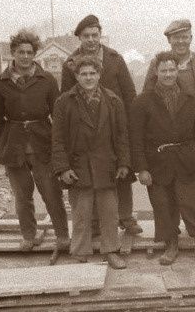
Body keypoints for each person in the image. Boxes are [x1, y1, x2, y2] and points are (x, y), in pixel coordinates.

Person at [131, 51, 195, 266]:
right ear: (156, 72)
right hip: (157, 162)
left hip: (186, 159)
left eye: (172, 69)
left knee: (193, 201)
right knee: (163, 204)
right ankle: (171, 245)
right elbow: (136, 137)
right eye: (163, 70)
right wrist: (142, 168)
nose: (168, 74)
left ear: (177, 70)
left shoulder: (192, 97)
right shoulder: (143, 101)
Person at [0, 29, 69, 252]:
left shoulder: (47, 80)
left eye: (29, 52)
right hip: (14, 148)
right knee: (22, 197)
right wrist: (4, 143)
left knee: (52, 193)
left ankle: (62, 235)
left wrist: (56, 145)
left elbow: (58, 115)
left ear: (35, 54)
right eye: (20, 52)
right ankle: (28, 236)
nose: (25, 56)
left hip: (43, 145)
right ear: (13, 53)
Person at [60, 14, 142, 235]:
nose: (91, 40)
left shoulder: (115, 59)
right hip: (86, 127)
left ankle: (125, 217)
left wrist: (129, 124)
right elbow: (65, 97)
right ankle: (96, 222)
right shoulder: (70, 64)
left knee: (122, 171)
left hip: (115, 125)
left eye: (95, 35)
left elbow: (129, 93)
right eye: (86, 36)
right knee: (91, 173)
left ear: (100, 35)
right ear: (79, 37)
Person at [52, 57, 129, 269]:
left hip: (107, 165)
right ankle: (79, 253)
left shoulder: (113, 100)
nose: (88, 78)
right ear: (76, 76)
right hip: (78, 167)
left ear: (99, 74)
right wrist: (63, 168)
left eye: (92, 73)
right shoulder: (64, 102)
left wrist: (123, 163)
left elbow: (122, 135)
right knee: (81, 213)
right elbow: (57, 139)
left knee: (109, 212)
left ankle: (111, 250)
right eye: (83, 74)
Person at [142, 19, 195, 197]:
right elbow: (147, 95)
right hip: (166, 136)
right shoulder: (158, 62)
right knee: (167, 180)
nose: (180, 41)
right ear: (169, 40)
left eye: (184, 37)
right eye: (175, 38)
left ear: (191, 38)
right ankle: (172, 222)